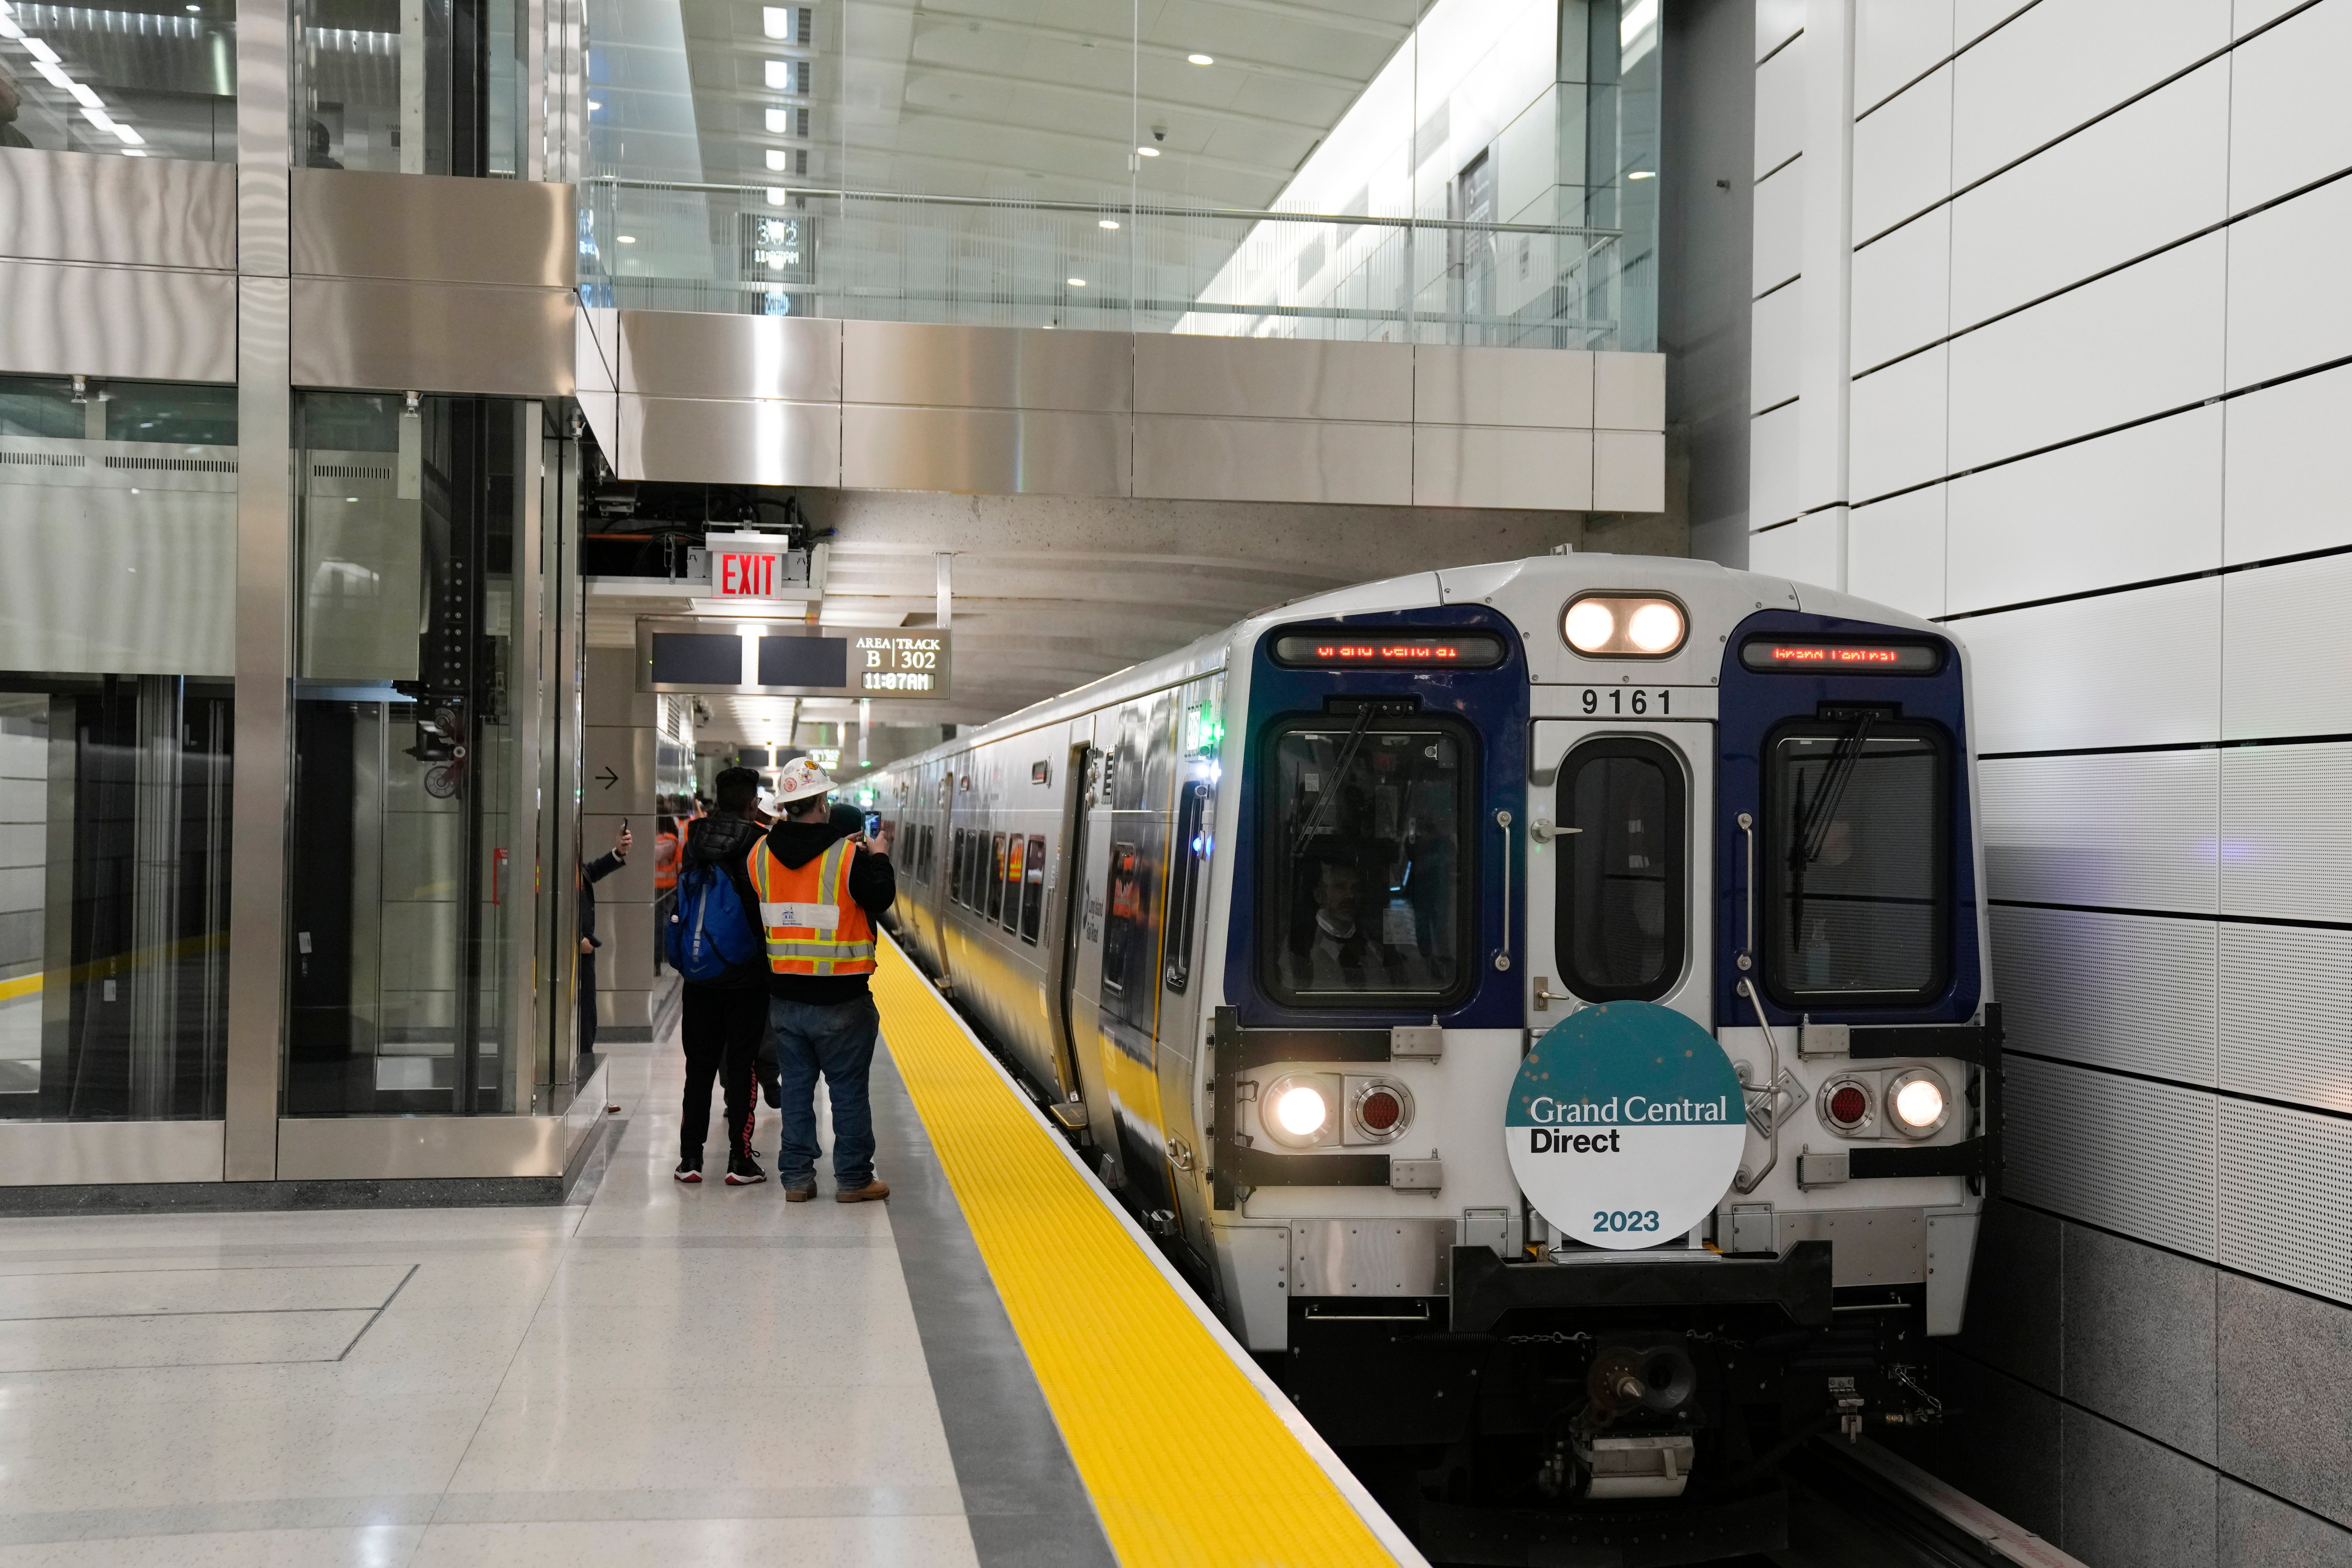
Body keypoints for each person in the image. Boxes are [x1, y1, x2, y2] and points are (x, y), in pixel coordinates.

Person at [750, 756, 895, 1203]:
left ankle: (796, 1180)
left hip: (786, 1000)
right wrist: (880, 857)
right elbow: (880, 898)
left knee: (796, 1091)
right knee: (848, 1093)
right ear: (821, 802)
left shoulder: (758, 856)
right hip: (842, 1000)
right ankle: (853, 1180)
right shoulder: (848, 857)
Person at [672, 768, 770, 1185]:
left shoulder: (692, 836)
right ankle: (739, 1160)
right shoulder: (761, 840)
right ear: (752, 802)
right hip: (747, 974)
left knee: (699, 1068)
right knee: (742, 1065)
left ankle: (690, 1161)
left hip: (698, 973)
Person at [577, 823, 632, 1078]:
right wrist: (574, 943)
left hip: (584, 956)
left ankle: (585, 1079)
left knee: (587, 1020)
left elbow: (593, 870)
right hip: (571, 957)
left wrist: (618, 852)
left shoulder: (576, 868)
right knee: (578, 1023)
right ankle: (580, 1078)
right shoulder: (548, 869)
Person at [652, 804, 682, 972]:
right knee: (658, 925)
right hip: (657, 888)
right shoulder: (661, 837)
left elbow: (656, 854)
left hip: (665, 889)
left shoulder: (670, 838)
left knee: (662, 925)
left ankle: (662, 957)